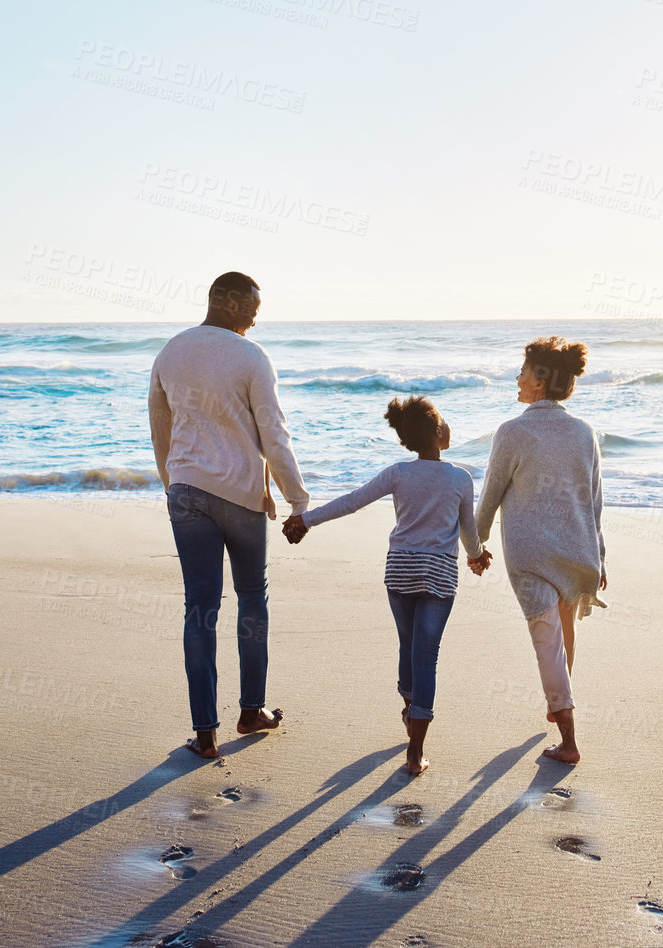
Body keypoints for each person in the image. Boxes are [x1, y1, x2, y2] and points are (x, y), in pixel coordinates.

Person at [148, 270, 309, 759]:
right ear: (226, 301)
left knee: (199, 609)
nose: (256, 320)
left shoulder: (170, 351)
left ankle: (205, 733)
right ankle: (251, 710)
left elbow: (161, 428)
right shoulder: (251, 358)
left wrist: (172, 483)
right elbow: (273, 435)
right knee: (251, 599)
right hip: (239, 497)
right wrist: (298, 501)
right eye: (252, 309)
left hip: (188, 493)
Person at [283, 396, 488, 774]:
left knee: (408, 645)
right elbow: (468, 531)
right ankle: (415, 752)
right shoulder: (460, 477)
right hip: (439, 574)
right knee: (427, 655)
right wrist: (478, 556)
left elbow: (352, 501)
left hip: (400, 571)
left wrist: (305, 521)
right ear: (438, 431)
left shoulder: (398, 472)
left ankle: (410, 709)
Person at [475, 336, 606, 765]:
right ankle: (557, 702)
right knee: (563, 633)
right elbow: (594, 500)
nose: (518, 377)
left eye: (523, 371)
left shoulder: (513, 431)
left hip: (530, 556)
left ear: (541, 380)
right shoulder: (584, 432)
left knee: (547, 641)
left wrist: (475, 546)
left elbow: (490, 495)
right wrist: (599, 554)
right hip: (578, 549)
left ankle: (568, 740)